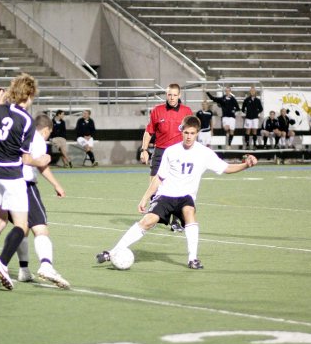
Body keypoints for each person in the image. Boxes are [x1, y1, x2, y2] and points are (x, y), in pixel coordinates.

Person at [96, 116, 258, 270]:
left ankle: (192, 259)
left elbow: (226, 168)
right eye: (186, 132)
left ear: (197, 133)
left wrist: (246, 165)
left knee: (189, 213)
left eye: (192, 133)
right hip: (166, 195)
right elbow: (159, 178)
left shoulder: (204, 153)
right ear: (182, 131)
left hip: (185, 197)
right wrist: (145, 198)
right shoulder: (171, 151)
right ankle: (112, 252)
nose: (189, 136)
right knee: (148, 221)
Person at [0, 73, 50, 290]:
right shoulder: (27, 121)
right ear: (30, 95)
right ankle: (2, 261)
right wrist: (41, 159)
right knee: (22, 226)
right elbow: (24, 158)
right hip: (12, 176)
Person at [16, 113, 70, 288]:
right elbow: (42, 166)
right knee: (40, 227)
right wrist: (57, 185)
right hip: (25, 185)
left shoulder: (21, 134)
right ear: (46, 130)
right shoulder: (37, 139)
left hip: (8, 184)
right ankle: (46, 265)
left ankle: (24, 270)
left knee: (22, 228)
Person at [140, 82, 193, 232]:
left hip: (179, 153)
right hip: (160, 152)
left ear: (179, 95)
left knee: (178, 187)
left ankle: (176, 221)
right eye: (169, 94)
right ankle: (155, 216)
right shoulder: (157, 110)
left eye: (175, 95)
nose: (172, 97)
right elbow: (149, 131)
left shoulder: (187, 111)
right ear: (166, 95)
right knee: (154, 186)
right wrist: (144, 149)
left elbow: (191, 132)